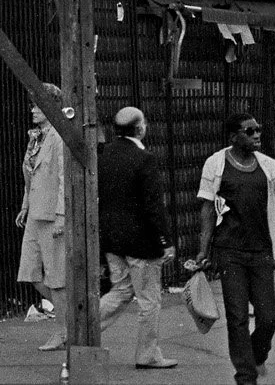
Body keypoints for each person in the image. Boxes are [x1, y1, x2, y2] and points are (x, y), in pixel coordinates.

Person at [190, 111, 275, 385]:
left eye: (258, 129)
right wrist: (203, 250)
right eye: (250, 131)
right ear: (233, 137)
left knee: (268, 317)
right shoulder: (216, 163)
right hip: (229, 251)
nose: (257, 135)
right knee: (236, 317)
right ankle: (246, 377)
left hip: (260, 252)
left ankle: (257, 357)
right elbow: (208, 208)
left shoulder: (269, 165)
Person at [97, 106, 177, 370]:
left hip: (112, 239)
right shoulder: (146, 159)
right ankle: (148, 355)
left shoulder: (104, 155)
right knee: (149, 300)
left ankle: (80, 331)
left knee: (120, 290)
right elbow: (153, 206)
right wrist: (165, 241)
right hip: (141, 243)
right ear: (139, 128)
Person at [17, 83, 69, 352]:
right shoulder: (35, 137)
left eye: (38, 105)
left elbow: (63, 179)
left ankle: (62, 330)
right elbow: (31, 176)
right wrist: (25, 205)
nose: (33, 110)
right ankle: (71, 316)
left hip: (51, 215)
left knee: (56, 277)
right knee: (31, 272)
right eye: (33, 105)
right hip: (35, 213)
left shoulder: (59, 137)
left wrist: (62, 215)